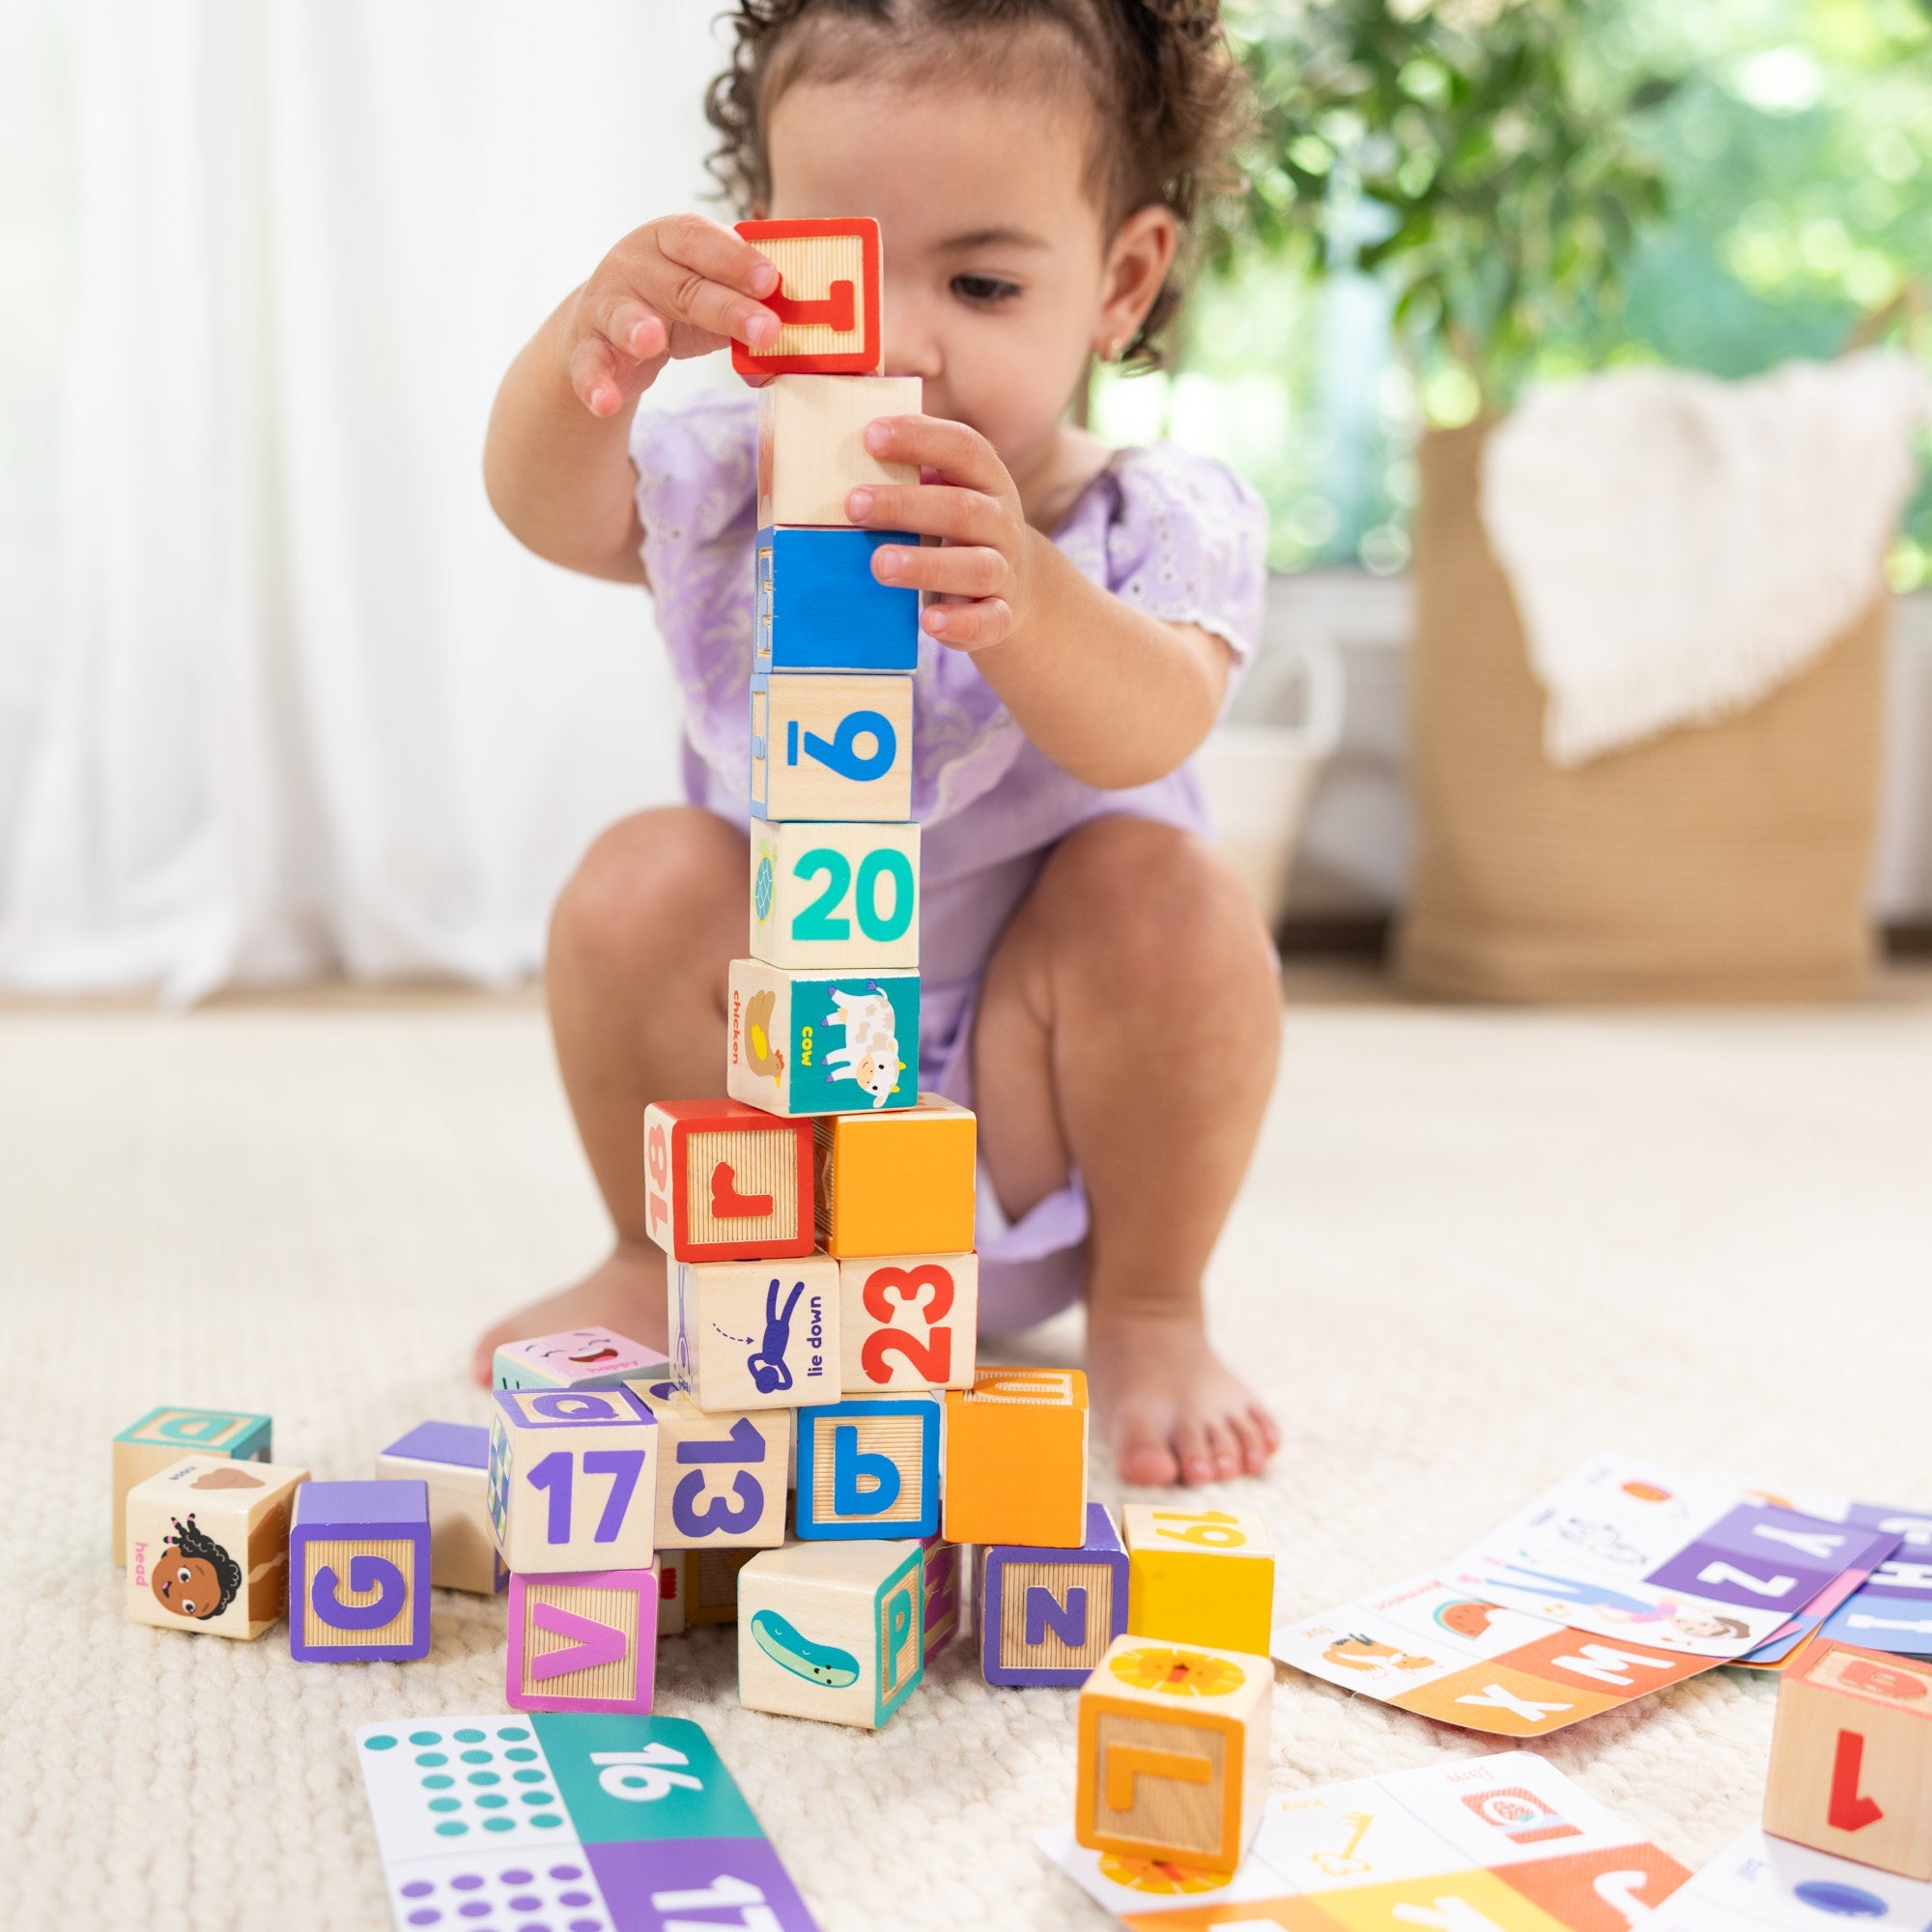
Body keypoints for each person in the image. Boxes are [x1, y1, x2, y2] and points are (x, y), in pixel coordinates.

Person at [477, 0, 1281, 1487]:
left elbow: (1153, 722)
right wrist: (592, 347)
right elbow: (544, 508)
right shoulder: (735, 478)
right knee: (642, 876)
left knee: (1175, 907)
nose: (899, 342)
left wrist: (1029, 597)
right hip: (778, 1121)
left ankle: (1154, 1305)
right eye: (835, 271)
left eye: (979, 282)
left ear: (1120, 281)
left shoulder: (1154, 518)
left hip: (1031, 1123)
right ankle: (657, 1257)